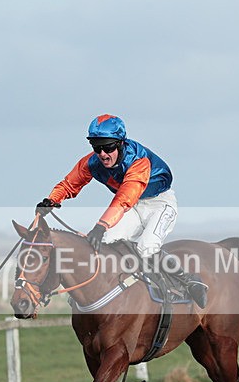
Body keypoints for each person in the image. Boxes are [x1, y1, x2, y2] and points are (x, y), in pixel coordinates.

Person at [35, 114, 208, 308]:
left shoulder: (138, 161)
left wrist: (101, 225)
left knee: (146, 247)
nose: (102, 154)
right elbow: (70, 183)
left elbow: (124, 198)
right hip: (133, 206)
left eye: (108, 147)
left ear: (120, 144)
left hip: (159, 204)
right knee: (107, 244)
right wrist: (51, 200)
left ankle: (188, 279)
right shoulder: (91, 162)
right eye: (97, 147)